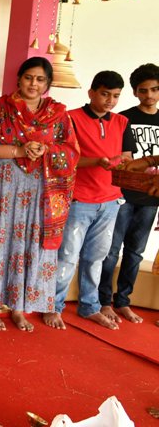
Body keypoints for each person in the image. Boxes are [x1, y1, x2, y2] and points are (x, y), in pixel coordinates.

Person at [0, 57, 79, 332]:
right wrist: (20, 150)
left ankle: (18, 307)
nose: (33, 84)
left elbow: (72, 151)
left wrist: (47, 150)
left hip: (40, 190)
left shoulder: (59, 115)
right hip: (2, 188)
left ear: (48, 84)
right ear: (19, 79)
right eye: (28, 77)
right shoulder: (0, 109)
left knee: (28, 243)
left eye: (40, 80)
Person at [43, 71, 136, 331]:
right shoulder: (70, 118)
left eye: (116, 96)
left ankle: (89, 306)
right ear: (91, 92)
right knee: (68, 256)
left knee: (96, 258)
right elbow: (61, 159)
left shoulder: (121, 122)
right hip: (78, 199)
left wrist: (132, 167)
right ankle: (53, 305)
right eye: (105, 94)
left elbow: (128, 158)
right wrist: (96, 161)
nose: (110, 101)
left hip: (111, 201)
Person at [99, 64, 159, 324]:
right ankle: (103, 302)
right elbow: (120, 160)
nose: (150, 95)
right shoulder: (123, 119)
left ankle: (123, 301)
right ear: (135, 93)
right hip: (122, 193)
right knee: (111, 251)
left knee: (135, 252)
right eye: (143, 90)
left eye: (155, 90)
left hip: (151, 196)